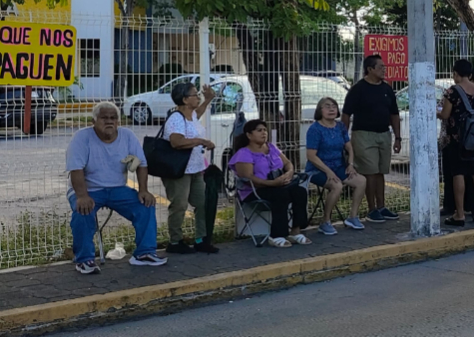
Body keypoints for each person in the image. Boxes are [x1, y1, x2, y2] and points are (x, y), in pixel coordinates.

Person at [66, 102, 159, 274]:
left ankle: (144, 253)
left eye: (113, 118)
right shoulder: (81, 138)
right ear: (93, 121)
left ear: (118, 121)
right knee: (83, 210)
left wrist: (143, 190)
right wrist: (82, 196)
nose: (109, 121)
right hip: (88, 189)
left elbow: (142, 164)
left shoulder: (127, 136)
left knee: (146, 205)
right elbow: (75, 169)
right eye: (104, 118)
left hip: (117, 188)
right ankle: (84, 260)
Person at [229, 119, 311, 248]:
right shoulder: (243, 154)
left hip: (278, 184)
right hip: (255, 190)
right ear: (249, 135)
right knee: (281, 195)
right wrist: (272, 183)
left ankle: (296, 230)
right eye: (259, 130)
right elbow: (248, 177)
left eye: (265, 130)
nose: (264, 133)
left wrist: (288, 173)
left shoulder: (271, 147)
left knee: (299, 191)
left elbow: (288, 163)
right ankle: (277, 235)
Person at [342, 54, 402, 223]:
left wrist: (398, 137)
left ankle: (382, 206)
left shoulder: (387, 89)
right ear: (370, 69)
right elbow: (346, 114)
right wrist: (343, 137)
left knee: (381, 171)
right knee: (370, 171)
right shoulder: (358, 89)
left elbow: (394, 114)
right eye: (380, 67)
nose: (384, 70)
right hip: (363, 135)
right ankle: (371, 209)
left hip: (383, 134)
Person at [162, 81, 217, 254]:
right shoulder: (176, 119)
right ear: (185, 100)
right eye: (195, 95)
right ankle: (175, 241)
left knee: (201, 203)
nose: (198, 97)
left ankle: (201, 239)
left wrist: (207, 100)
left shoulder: (190, 115)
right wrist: (200, 141)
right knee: (179, 205)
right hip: (179, 170)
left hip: (195, 168)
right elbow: (176, 142)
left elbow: (198, 113)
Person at [438, 58, 474, 226]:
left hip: (456, 140)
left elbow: (446, 115)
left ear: (456, 73)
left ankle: (459, 214)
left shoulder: (452, 92)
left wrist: (436, 112)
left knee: (458, 174)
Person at [306, 97, 367, 236]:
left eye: (334, 106)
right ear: (320, 110)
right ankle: (325, 221)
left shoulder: (340, 127)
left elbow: (349, 147)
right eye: (327, 106)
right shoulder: (315, 129)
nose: (332, 109)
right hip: (318, 169)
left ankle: (353, 217)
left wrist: (350, 165)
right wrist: (328, 172)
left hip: (338, 166)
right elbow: (311, 156)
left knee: (361, 181)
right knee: (337, 186)